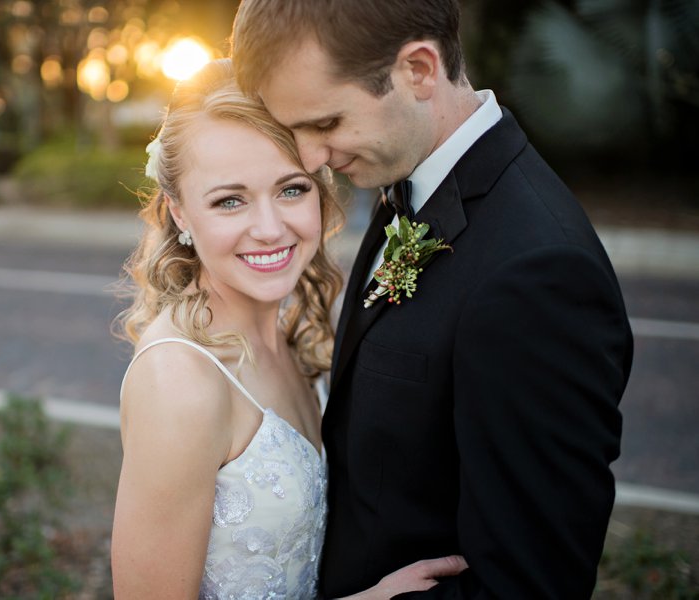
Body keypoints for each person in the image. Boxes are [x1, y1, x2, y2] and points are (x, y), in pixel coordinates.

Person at [231, 1, 634, 598]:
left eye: (326, 123)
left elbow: (530, 582)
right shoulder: (409, 178)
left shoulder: (538, 275)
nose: (311, 158)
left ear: (418, 71)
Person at [111, 59, 468, 599]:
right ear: (179, 212)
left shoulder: (293, 331)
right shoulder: (179, 382)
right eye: (230, 200)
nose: (271, 228)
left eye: (291, 189)